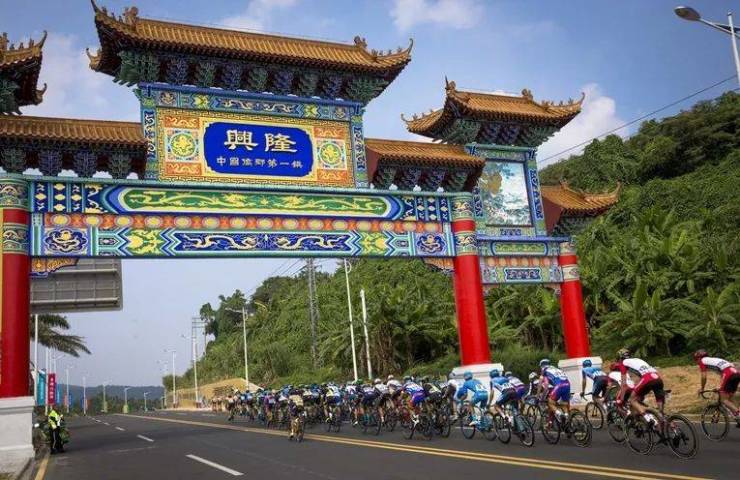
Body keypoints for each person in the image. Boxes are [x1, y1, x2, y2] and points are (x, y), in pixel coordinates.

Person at [613, 348, 665, 423]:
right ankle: (669, 424)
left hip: (648, 378)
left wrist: (621, 399)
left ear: (620, 358)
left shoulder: (623, 363)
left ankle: (648, 419)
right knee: (661, 411)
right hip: (657, 378)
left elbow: (624, 384)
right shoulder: (637, 360)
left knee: (632, 400)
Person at [693, 349, 740, 426]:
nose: (696, 362)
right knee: (730, 399)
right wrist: (720, 387)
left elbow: (704, 377)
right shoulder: (713, 360)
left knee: (724, 400)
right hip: (736, 373)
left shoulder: (702, 361)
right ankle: (738, 419)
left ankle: (739, 415)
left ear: (698, 358)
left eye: (696, 360)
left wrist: (702, 388)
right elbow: (723, 375)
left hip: (728, 373)